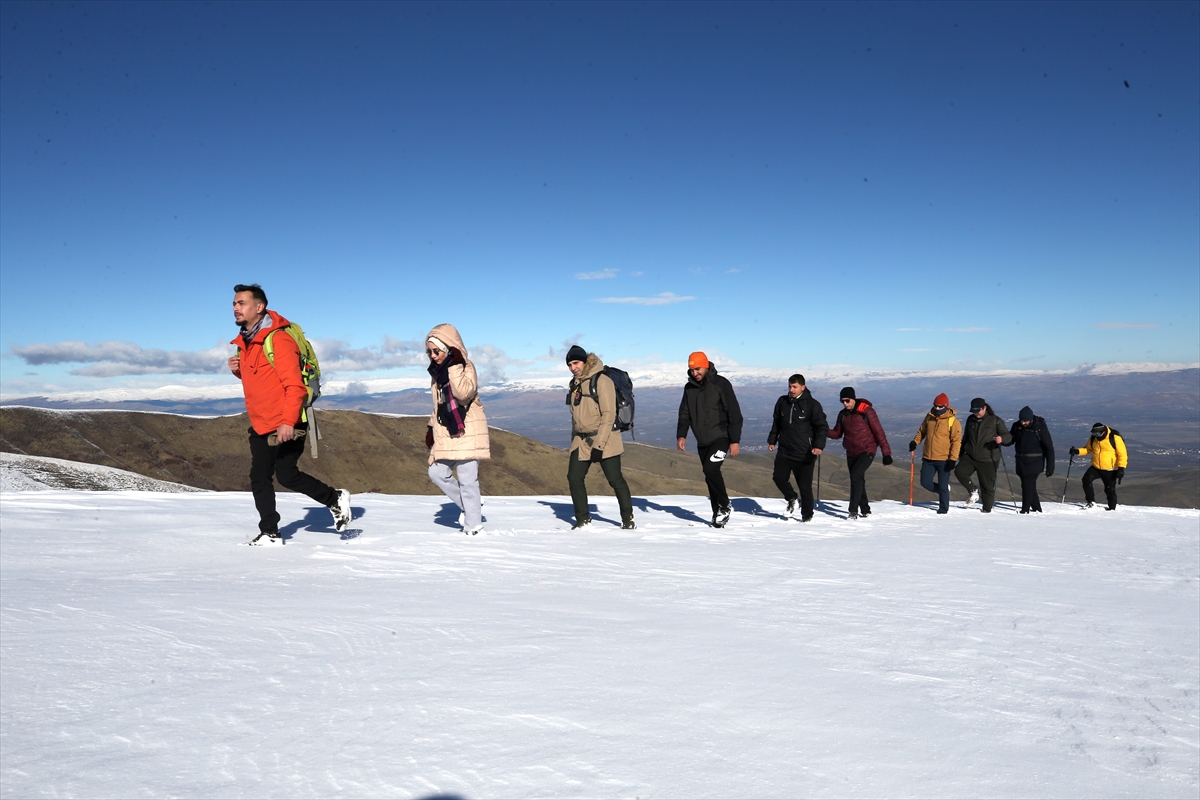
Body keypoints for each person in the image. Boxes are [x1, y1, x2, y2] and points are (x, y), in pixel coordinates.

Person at [227, 284, 351, 544]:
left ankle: (335, 498)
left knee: (287, 475)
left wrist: (287, 422)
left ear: (259, 307)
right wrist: (238, 370)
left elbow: (294, 386)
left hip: (289, 421)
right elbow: (261, 381)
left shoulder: (278, 339)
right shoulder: (245, 342)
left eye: (241, 303)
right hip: (261, 422)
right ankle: (270, 532)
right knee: (259, 478)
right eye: (234, 304)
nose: (236, 308)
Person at [425, 324, 490, 535]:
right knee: (436, 472)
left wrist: (454, 364)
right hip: (449, 432)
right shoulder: (436, 373)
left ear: (449, 348)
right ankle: (470, 507)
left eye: (437, 351)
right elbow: (439, 404)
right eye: (429, 352)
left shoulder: (465, 366)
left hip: (468, 430)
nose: (433, 356)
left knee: (467, 480)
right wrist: (430, 427)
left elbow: (462, 394)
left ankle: (474, 528)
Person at [565, 345, 634, 530]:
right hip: (581, 441)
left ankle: (628, 519)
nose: (573, 367)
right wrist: (573, 441)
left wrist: (599, 445)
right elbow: (576, 416)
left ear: (585, 361)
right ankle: (582, 520)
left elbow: (609, 414)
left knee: (615, 479)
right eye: (570, 364)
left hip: (605, 439)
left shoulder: (602, 381)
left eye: (576, 363)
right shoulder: (575, 384)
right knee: (574, 477)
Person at [677, 351, 743, 528]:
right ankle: (718, 516)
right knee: (709, 475)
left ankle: (725, 505)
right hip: (702, 440)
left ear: (706, 366)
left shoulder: (721, 384)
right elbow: (684, 413)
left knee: (710, 469)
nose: (694, 373)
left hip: (721, 436)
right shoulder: (689, 388)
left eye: (697, 369)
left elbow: (734, 413)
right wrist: (681, 434)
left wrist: (734, 440)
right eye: (691, 370)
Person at [767, 374, 829, 522]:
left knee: (805, 487)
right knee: (778, 478)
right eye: (789, 386)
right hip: (785, 450)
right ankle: (791, 498)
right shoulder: (782, 402)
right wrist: (772, 440)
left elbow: (822, 427)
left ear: (803, 387)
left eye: (794, 387)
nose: (791, 389)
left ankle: (807, 517)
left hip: (804, 453)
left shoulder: (812, 405)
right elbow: (776, 423)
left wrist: (819, 446)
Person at [827, 386, 892, 519]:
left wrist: (886, 453)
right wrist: (822, 429)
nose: (845, 403)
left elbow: (879, 432)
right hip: (851, 452)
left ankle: (853, 511)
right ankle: (865, 510)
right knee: (858, 479)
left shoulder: (866, 411)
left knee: (856, 476)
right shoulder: (843, 414)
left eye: (847, 400)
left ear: (853, 398)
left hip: (867, 450)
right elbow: (837, 433)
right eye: (842, 401)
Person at [954, 398, 1013, 513]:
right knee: (960, 472)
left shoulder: (995, 421)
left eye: (978, 410)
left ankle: (987, 509)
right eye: (974, 411)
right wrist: (960, 453)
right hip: (970, 455)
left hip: (988, 458)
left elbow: (1008, 436)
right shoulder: (970, 420)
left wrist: (1002, 439)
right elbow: (965, 438)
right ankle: (973, 490)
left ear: (984, 408)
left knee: (987, 486)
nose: (976, 413)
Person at [909, 393, 961, 514]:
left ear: (946, 406)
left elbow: (956, 441)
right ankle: (943, 490)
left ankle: (943, 509)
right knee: (925, 483)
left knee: (943, 486)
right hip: (928, 458)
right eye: (935, 406)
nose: (937, 408)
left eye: (939, 406)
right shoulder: (929, 417)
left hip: (944, 460)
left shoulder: (953, 421)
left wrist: (953, 459)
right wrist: (915, 442)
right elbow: (922, 432)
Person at [1069, 423, 1128, 510]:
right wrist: (1077, 451)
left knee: (1109, 489)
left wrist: (1121, 468)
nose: (1096, 435)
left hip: (1110, 469)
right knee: (1086, 480)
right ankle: (1091, 502)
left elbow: (1122, 454)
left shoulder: (1114, 437)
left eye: (1098, 434)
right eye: (1095, 434)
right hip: (1096, 466)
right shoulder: (1094, 438)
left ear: (1103, 432)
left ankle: (1112, 508)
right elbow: (1088, 449)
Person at [1009, 406, 1054, 513]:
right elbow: (1011, 440)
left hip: (1035, 462)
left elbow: (1049, 448)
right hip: (1020, 462)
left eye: (1025, 421)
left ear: (1031, 419)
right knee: (1029, 486)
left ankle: (1025, 510)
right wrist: (1001, 440)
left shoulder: (1040, 427)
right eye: (1022, 420)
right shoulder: (1016, 426)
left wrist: (1050, 467)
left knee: (1027, 485)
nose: (1023, 423)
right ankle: (1037, 508)